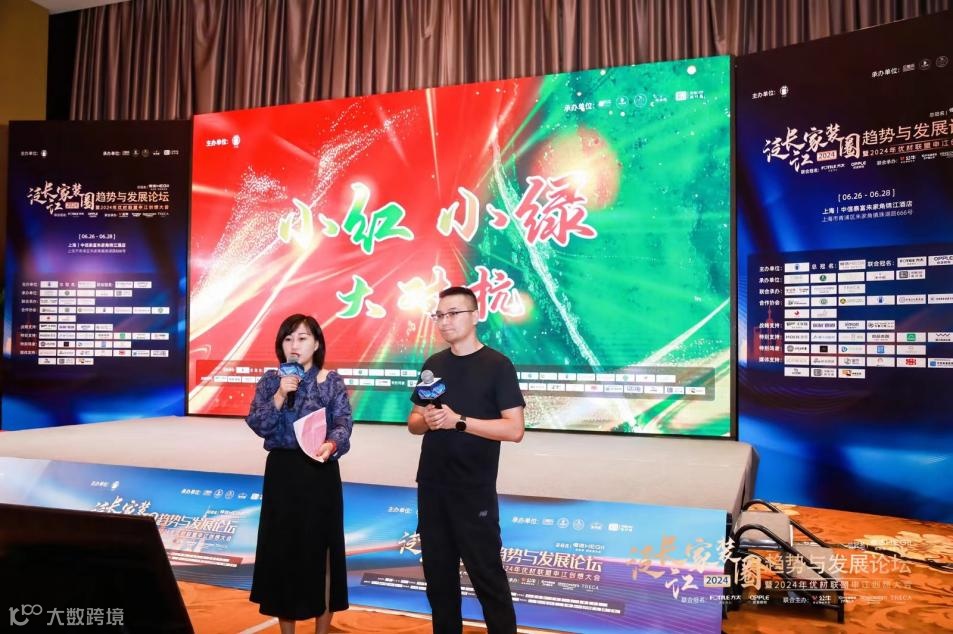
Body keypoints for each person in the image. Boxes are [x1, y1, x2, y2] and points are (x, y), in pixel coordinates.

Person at [407, 286, 526, 634]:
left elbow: (514, 429)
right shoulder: (433, 365)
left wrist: (459, 421)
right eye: (439, 315)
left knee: (487, 578)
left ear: (475, 316)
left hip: (473, 491)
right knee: (439, 581)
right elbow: (414, 422)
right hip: (432, 487)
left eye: (453, 313)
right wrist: (427, 421)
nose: (445, 321)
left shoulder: (497, 365)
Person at [246, 313, 353, 634]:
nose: (295, 345)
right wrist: (280, 394)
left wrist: (332, 444)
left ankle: (321, 630)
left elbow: (343, 424)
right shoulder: (271, 381)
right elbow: (259, 424)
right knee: (283, 552)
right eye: (288, 338)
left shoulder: (330, 381)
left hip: (319, 473)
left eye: (303, 338)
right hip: (283, 474)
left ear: (316, 343)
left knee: (323, 552)